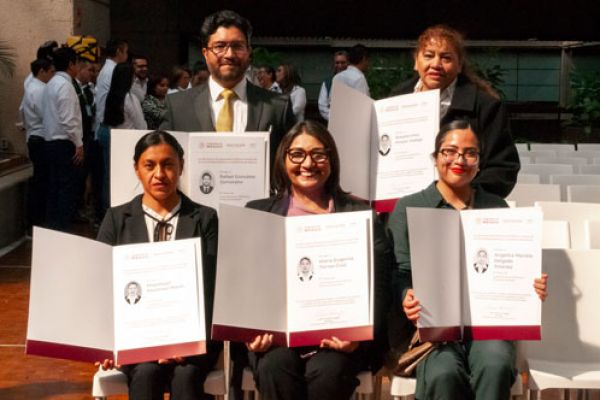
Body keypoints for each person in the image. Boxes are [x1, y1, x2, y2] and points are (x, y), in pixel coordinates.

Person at [387, 120, 548, 400]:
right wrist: (406, 296)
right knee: (443, 373)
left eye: (470, 153)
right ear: (435, 157)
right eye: (449, 151)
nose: (459, 160)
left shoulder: (495, 206)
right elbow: (400, 271)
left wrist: (531, 286)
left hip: (489, 324)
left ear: (480, 161)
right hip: (433, 326)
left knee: (495, 365)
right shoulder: (409, 206)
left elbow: (511, 266)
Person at [245, 120, 393, 400]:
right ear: (283, 159)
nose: (308, 163)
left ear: (331, 160)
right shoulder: (258, 214)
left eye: (318, 154)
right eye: (297, 154)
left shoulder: (359, 215)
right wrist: (251, 331)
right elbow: (245, 282)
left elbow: (381, 286)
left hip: (339, 342)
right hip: (278, 341)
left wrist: (358, 336)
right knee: (275, 367)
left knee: (328, 372)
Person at [96, 130, 221, 400]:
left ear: (181, 167)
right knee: (146, 373)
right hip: (135, 339)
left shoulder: (205, 218)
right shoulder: (117, 218)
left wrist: (187, 341)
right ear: (136, 169)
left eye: (168, 164)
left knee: (186, 376)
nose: (159, 174)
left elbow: (211, 288)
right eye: (149, 165)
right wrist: (104, 343)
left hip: (193, 342)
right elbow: (100, 286)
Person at [391, 25, 519, 198]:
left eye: (446, 58)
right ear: (416, 61)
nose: (436, 64)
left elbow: (502, 169)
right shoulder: (395, 101)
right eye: (428, 55)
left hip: (460, 210)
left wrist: (460, 196)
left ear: (459, 65)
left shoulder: (486, 107)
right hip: (401, 203)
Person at [160, 10, 295, 167]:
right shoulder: (177, 106)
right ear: (205, 53)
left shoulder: (277, 106)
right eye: (220, 46)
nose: (229, 54)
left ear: (248, 52)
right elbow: (164, 161)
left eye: (237, 46)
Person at [42, 46, 84, 232]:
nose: (79, 67)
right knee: (66, 187)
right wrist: (79, 144)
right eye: (77, 63)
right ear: (70, 64)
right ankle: (62, 228)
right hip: (63, 142)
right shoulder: (65, 86)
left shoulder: (50, 84)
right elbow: (69, 120)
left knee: (54, 186)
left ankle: (53, 225)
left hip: (51, 141)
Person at [95, 38, 129, 212]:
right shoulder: (112, 70)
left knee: (108, 175)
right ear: (118, 52)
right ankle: (107, 214)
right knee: (111, 176)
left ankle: (105, 212)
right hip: (110, 127)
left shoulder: (106, 70)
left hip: (106, 126)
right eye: (126, 52)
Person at [21, 58, 55, 230]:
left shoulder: (31, 87)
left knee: (40, 181)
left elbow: (22, 111)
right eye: (51, 72)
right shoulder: (40, 90)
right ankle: (36, 222)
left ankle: (36, 222)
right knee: (41, 182)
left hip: (34, 135)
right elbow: (47, 115)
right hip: (40, 137)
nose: (53, 75)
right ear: (42, 71)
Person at [104, 62, 147, 130]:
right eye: (134, 76)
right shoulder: (130, 98)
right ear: (129, 77)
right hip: (130, 137)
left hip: (114, 137)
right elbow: (141, 126)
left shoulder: (110, 96)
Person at [318, 50, 348, 121]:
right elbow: (322, 106)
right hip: (332, 121)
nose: (340, 65)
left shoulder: (354, 81)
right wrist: (334, 118)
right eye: (337, 63)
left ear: (348, 63)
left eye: (343, 62)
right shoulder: (327, 83)